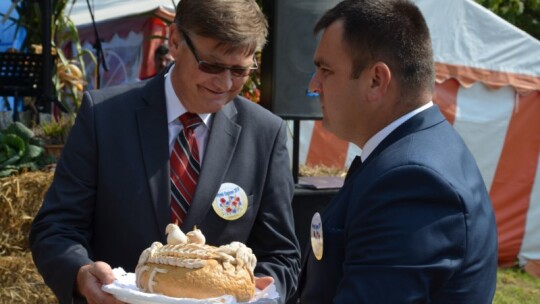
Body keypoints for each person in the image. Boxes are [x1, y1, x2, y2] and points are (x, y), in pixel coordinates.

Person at [29, 0, 300, 303]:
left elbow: (282, 255)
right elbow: (57, 228)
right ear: (175, 41)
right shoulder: (105, 117)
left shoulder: (264, 132)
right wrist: (81, 274)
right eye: (210, 65)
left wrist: (264, 293)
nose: (224, 83)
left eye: (240, 70)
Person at [297, 0, 498, 303]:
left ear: (376, 81)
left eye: (326, 70)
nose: (314, 86)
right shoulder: (411, 156)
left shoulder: (411, 180)